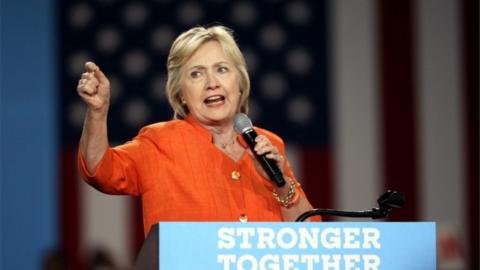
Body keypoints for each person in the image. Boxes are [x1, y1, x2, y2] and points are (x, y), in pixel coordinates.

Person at [76, 25, 320, 236]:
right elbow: (100, 170)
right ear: (181, 94)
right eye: (196, 74)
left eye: (222, 69)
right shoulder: (160, 142)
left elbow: (311, 237)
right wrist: (97, 113)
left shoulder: (267, 144)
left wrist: (281, 184)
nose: (212, 83)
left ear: (240, 82)